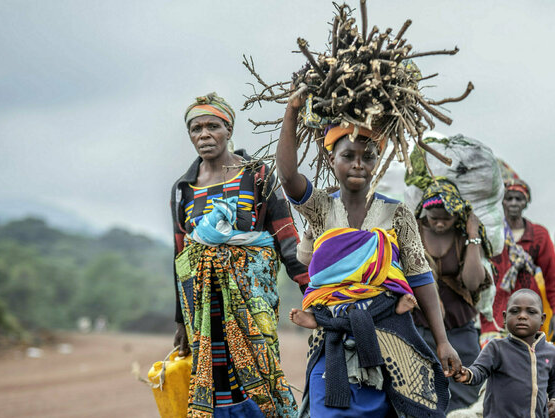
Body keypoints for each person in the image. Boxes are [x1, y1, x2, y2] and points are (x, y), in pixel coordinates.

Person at [278, 95, 458, 417]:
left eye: (368, 156)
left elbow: (419, 277)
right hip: (332, 334)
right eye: (348, 155)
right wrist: (292, 111)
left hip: (388, 332)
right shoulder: (320, 207)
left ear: (377, 161)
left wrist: (442, 341)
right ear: (332, 159)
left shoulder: (397, 213)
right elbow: (289, 179)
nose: (358, 163)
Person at [170, 93, 308, 417]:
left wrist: (314, 293)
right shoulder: (184, 189)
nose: (204, 135)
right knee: (214, 384)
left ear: (228, 129)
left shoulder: (256, 175)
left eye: (212, 126)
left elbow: (287, 238)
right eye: (196, 129)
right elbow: (180, 258)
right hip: (202, 310)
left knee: (260, 379)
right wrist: (181, 321)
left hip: (251, 301)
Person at [410, 179, 494, 412]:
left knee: (466, 393)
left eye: (446, 218)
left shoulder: (462, 236)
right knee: (420, 396)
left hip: (460, 330)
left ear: (458, 216)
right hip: (419, 330)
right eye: (432, 217)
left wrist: (472, 235)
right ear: (423, 211)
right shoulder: (411, 231)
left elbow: (473, 282)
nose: (438, 223)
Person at [454, 289, 555, 418]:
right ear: (504, 317)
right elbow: (479, 370)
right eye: (515, 311)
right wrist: (468, 374)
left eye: (531, 312)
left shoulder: (550, 352)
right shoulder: (496, 348)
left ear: (542, 319)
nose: (522, 316)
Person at [481, 179, 555, 346]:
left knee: (526, 363)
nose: (513, 203)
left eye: (519, 199)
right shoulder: (491, 232)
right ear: (502, 201)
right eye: (509, 198)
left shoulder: (538, 235)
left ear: (526, 202)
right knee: (492, 359)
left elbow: (553, 278)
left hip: (528, 313)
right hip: (494, 311)